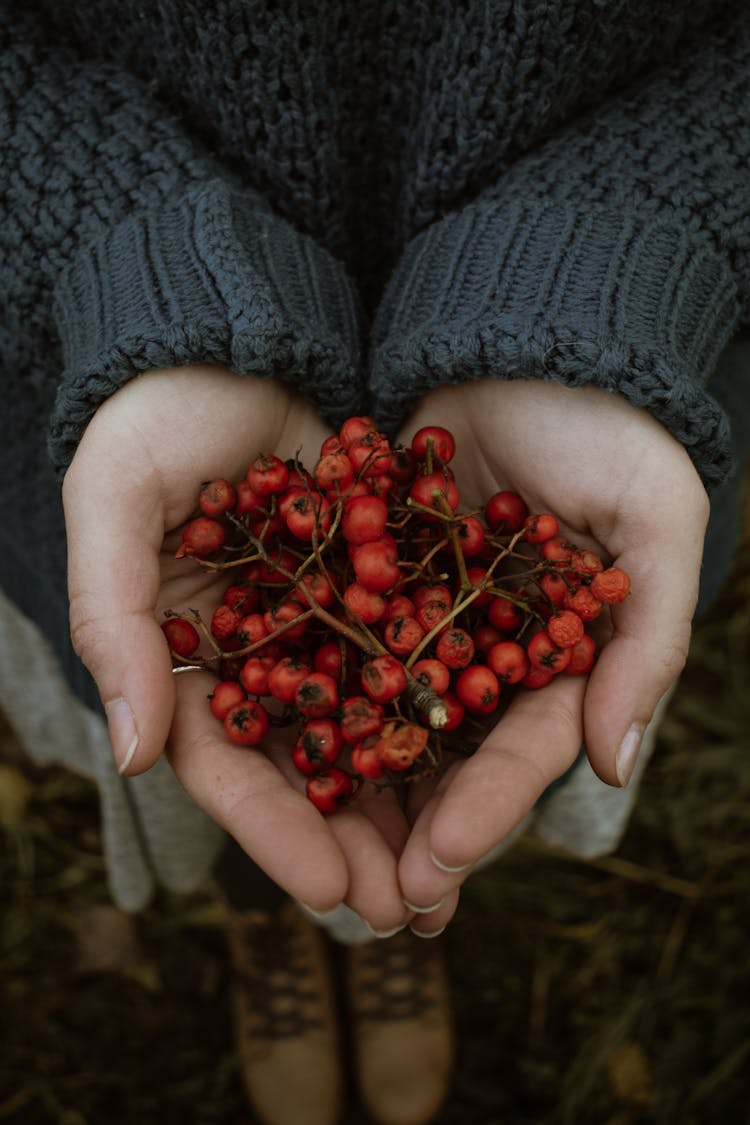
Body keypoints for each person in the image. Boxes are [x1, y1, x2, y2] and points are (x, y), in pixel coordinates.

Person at [1, 2, 748, 1123]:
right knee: (209, 741)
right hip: (87, 353)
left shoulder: (437, 581)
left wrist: (620, 264)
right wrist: (111, 253)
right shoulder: (316, 579)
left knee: (443, 784)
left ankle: (386, 927)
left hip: (608, 347)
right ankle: (269, 928)